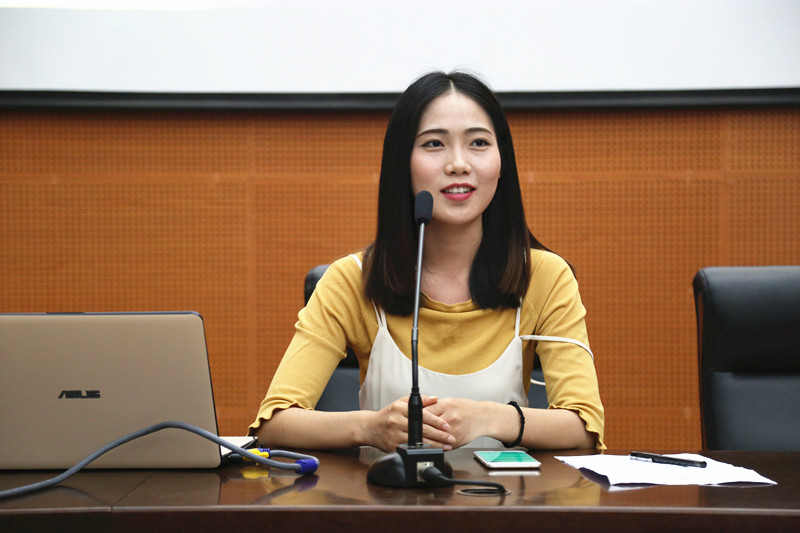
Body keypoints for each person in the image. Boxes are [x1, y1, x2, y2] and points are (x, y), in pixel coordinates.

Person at [249, 71, 604, 452]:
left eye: (479, 143)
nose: (458, 164)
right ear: (402, 162)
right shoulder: (351, 280)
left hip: (502, 490)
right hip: (382, 489)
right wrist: (370, 427)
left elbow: (583, 427)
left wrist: (490, 418)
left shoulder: (545, 277)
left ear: (502, 162)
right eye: (434, 143)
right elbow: (274, 424)